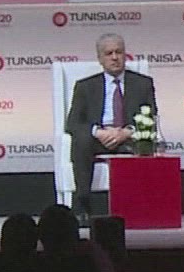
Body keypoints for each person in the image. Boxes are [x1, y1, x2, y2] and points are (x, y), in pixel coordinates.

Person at [63, 33, 159, 222]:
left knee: (145, 141)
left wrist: (126, 132)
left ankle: (143, 210)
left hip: (129, 139)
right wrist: (98, 132)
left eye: (119, 52)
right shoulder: (85, 86)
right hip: (97, 140)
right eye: (109, 53)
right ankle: (82, 206)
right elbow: (72, 123)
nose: (115, 57)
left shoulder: (143, 83)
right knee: (81, 139)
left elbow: (151, 116)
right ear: (100, 58)